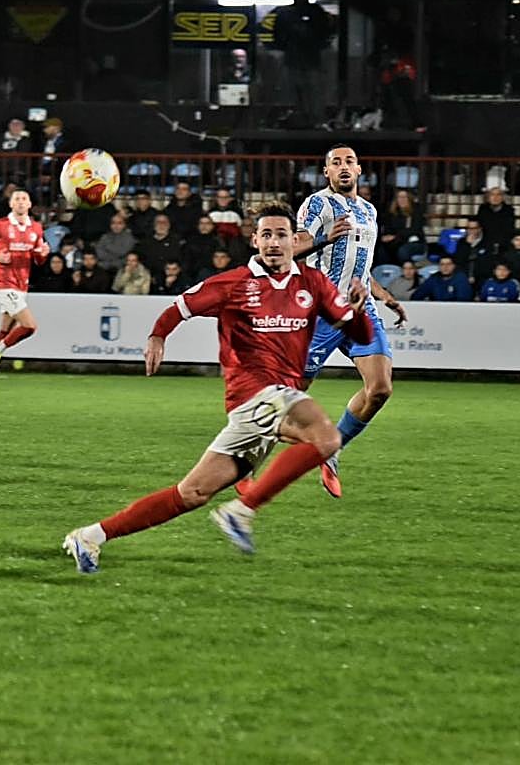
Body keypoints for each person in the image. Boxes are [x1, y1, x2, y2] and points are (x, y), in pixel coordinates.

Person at [62, 202, 374, 573]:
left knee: (192, 493)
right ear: (255, 239)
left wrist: (355, 314)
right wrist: (158, 335)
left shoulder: (313, 283)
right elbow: (180, 307)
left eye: (281, 235)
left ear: (295, 240)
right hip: (251, 393)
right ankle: (241, 511)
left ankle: (91, 536)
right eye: (267, 235)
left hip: (270, 404)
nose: (274, 242)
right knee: (326, 437)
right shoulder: (234, 282)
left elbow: (358, 333)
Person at [294, 144, 406, 498]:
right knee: (287, 396)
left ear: (359, 170)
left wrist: (384, 295)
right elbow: (292, 248)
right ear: (326, 172)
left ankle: (333, 448)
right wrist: (325, 238)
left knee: (381, 389)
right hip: (319, 311)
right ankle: (243, 459)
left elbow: (361, 264)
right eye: (335, 163)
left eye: (349, 162)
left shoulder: (369, 211)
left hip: (360, 308)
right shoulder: (317, 205)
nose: (343, 167)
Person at [0, 188, 49, 391]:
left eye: (24, 198)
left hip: (22, 284)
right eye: (17, 199)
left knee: (4, 330)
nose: (21, 202)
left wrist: (43, 254)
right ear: (11, 204)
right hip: (4, 284)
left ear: (30, 204)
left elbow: (38, 259)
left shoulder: (36, 228)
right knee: (30, 326)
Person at [380, 189, 425, 263]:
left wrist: (395, 236)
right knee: (381, 249)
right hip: (395, 241)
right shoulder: (392, 213)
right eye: (399, 197)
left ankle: (405, 270)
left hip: (413, 241)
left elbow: (414, 230)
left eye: (404, 197)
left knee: (403, 251)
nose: (402, 200)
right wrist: (386, 236)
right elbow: (388, 228)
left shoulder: (416, 211)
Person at [475, 187, 516, 255]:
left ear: (502, 198)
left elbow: (508, 230)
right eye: (492, 194)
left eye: (498, 194)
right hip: (486, 243)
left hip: (504, 245)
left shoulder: (509, 211)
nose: (495, 197)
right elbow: (481, 227)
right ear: (488, 198)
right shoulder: (483, 210)